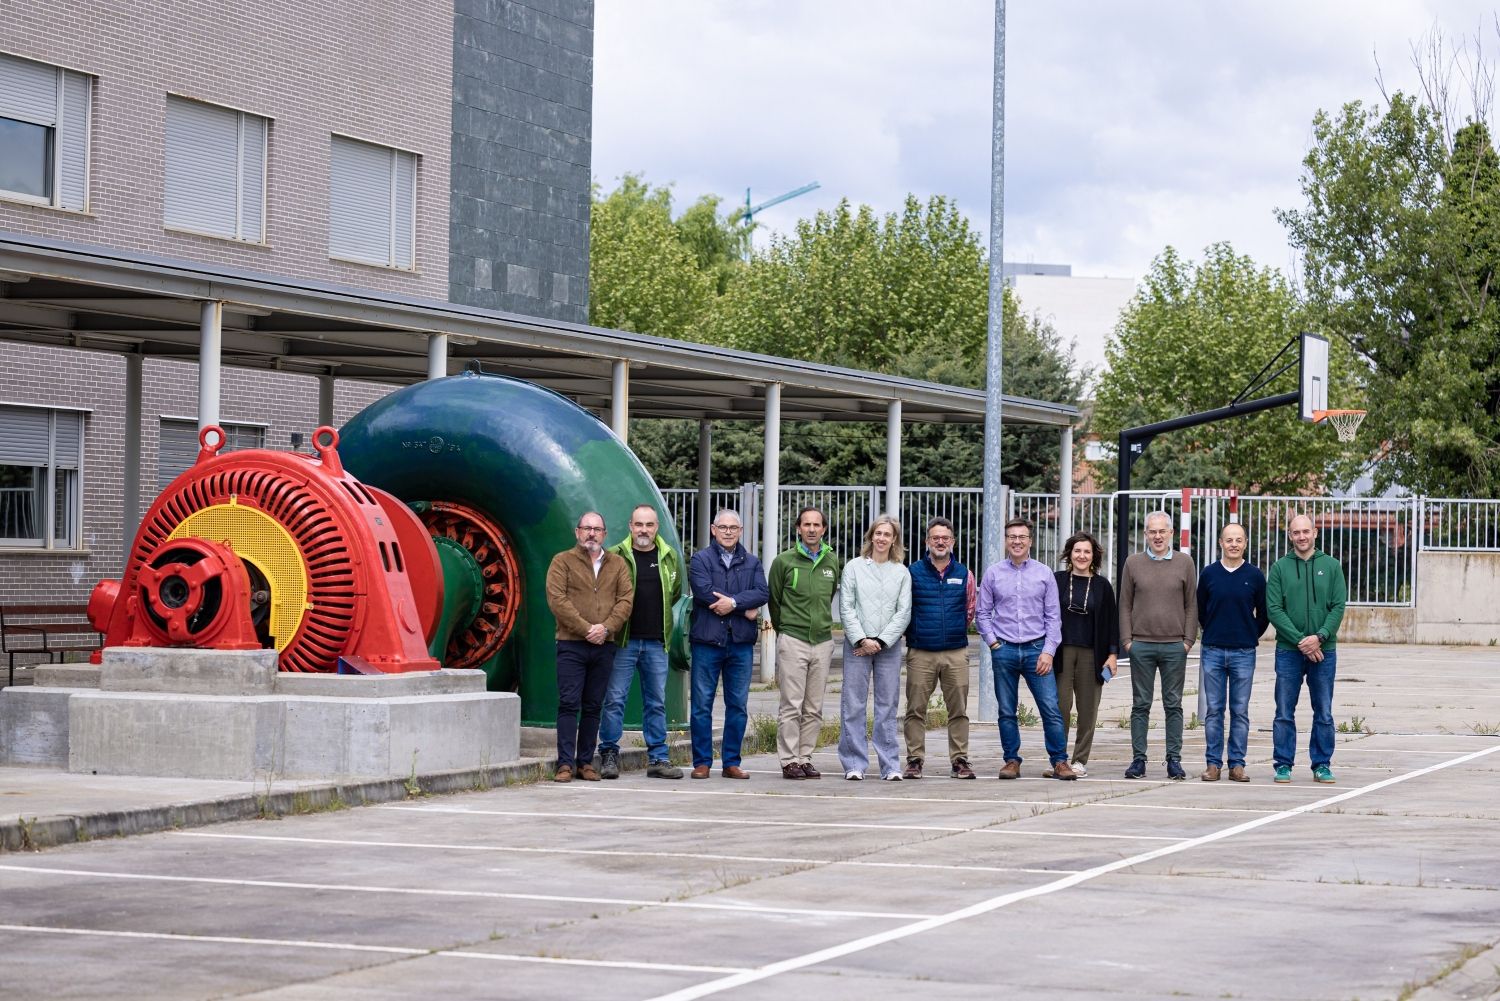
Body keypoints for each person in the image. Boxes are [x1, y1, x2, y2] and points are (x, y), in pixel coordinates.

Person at [976, 517, 1076, 781]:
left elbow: (1054, 617)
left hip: (1037, 651)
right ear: (1006, 541)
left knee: (1050, 708)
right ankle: (1011, 761)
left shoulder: (1044, 574)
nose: (1017, 541)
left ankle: (1060, 762)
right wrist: (993, 643)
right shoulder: (993, 573)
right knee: (1006, 710)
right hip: (1005, 651)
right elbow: (982, 613)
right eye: (1012, 537)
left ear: (1030, 541)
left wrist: (1048, 651)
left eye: (1022, 537)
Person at [544, 511, 633, 783]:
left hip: (604, 645)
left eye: (597, 529)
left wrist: (605, 629)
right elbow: (557, 600)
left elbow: (626, 600)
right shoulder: (562, 561)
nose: (591, 533)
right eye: (586, 528)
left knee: (594, 705)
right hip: (572, 644)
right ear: (577, 532)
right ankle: (565, 764)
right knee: (569, 704)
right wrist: (586, 629)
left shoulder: (617, 564)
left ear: (605, 534)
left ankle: (586, 762)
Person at [598, 504, 684, 780]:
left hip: (656, 642)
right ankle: (609, 754)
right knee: (614, 700)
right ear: (630, 527)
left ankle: (658, 758)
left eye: (649, 525)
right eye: (639, 525)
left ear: (656, 527)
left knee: (656, 702)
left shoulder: (668, 557)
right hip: (624, 641)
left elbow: (675, 593)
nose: (643, 530)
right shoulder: (615, 556)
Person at [686, 509, 769, 780]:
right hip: (707, 642)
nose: (728, 532)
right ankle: (702, 762)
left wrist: (732, 603)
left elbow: (761, 593)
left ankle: (731, 762)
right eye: (723, 527)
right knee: (701, 705)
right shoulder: (700, 559)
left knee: (738, 705)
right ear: (713, 529)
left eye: (733, 527)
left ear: (741, 530)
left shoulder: (753, 562)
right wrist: (744, 607)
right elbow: (703, 591)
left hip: (740, 644)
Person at [1266, 513, 1347, 785]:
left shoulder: (1332, 566)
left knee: (1323, 711)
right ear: (1290, 536)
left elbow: (1338, 606)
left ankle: (1321, 764)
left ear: (1315, 532)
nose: (1301, 537)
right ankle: (1283, 764)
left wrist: (1320, 637)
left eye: (1305, 531)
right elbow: (1274, 610)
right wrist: (1302, 641)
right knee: (1284, 712)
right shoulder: (1279, 568)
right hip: (1289, 651)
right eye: (1295, 532)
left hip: (1324, 651)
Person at [1118, 510, 1198, 780]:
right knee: (1140, 704)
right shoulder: (1133, 563)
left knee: (1173, 704)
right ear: (1145, 535)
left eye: (1162, 531)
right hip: (1141, 645)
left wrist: (1187, 641)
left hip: (1175, 646)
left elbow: (1191, 605)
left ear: (1171, 533)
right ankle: (1138, 760)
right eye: (1152, 531)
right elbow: (1125, 604)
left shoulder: (1185, 563)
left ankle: (1173, 759)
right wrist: (1128, 641)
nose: (1157, 536)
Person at [768, 506, 842, 780]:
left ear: (824, 529)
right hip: (793, 639)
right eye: (806, 524)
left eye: (817, 525)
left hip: (822, 641)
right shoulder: (784, 561)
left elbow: (829, 596)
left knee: (814, 707)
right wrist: (785, 629)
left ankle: (805, 757)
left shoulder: (831, 561)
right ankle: (788, 761)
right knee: (792, 705)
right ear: (798, 528)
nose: (812, 529)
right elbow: (774, 601)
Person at [837, 515, 913, 781]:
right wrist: (861, 640)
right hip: (857, 645)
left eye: (887, 535)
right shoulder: (853, 567)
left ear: (894, 540)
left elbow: (903, 612)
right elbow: (846, 607)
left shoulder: (901, 572)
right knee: (853, 704)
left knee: (887, 705)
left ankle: (890, 765)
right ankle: (854, 764)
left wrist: (880, 642)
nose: (882, 538)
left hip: (888, 647)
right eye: (878, 533)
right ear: (871, 536)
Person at [902, 517, 978, 780]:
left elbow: (970, 610)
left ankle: (959, 760)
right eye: (935, 537)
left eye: (945, 538)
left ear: (953, 542)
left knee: (958, 710)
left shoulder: (964, 573)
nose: (940, 542)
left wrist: (954, 630)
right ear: (927, 541)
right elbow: (905, 609)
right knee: (915, 709)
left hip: (955, 652)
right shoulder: (912, 572)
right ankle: (914, 760)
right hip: (920, 652)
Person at [1196, 521, 1269, 783]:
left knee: (1240, 710)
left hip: (1244, 652)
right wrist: (1214, 632)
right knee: (1214, 709)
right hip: (1213, 650)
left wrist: (1249, 634)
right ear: (1221, 543)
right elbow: (1201, 611)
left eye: (1239, 540)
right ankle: (1213, 764)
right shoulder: (1208, 574)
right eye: (1229, 540)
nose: (1234, 544)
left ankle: (1237, 764)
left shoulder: (1255, 576)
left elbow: (1264, 614)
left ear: (1245, 543)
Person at [1052, 531, 1118, 778]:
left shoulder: (1102, 586)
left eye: (1087, 551)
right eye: (1077, 551)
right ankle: (1059, 759)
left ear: (1094, 556)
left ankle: (1079, 761)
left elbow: (1112, 623)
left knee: (1088, 709)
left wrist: (1112, 655)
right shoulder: (1056, 580)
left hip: (1093, 654)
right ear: (1069, 553)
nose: (1081, 555)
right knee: (1060, 707)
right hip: (1061, 653)